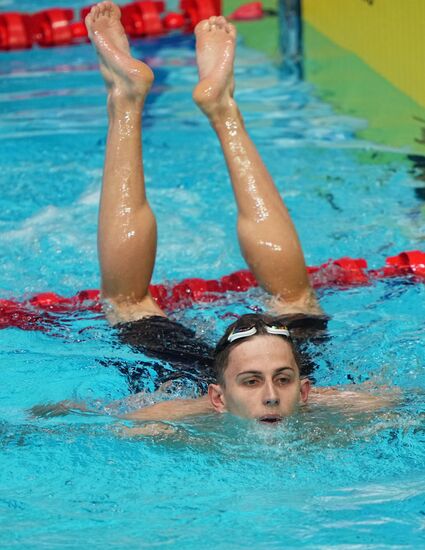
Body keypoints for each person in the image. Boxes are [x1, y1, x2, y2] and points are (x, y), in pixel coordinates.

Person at [31, 2, 394, 428]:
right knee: (295, 298)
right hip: (196, 384)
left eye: (283, 379)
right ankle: (212, 109)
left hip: (199, 378)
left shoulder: (329, 405)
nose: (272, 397)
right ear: (219, 398)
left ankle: (130, 97)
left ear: (306, 389)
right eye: (252, 382)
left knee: (129, 305)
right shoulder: (175, 419)